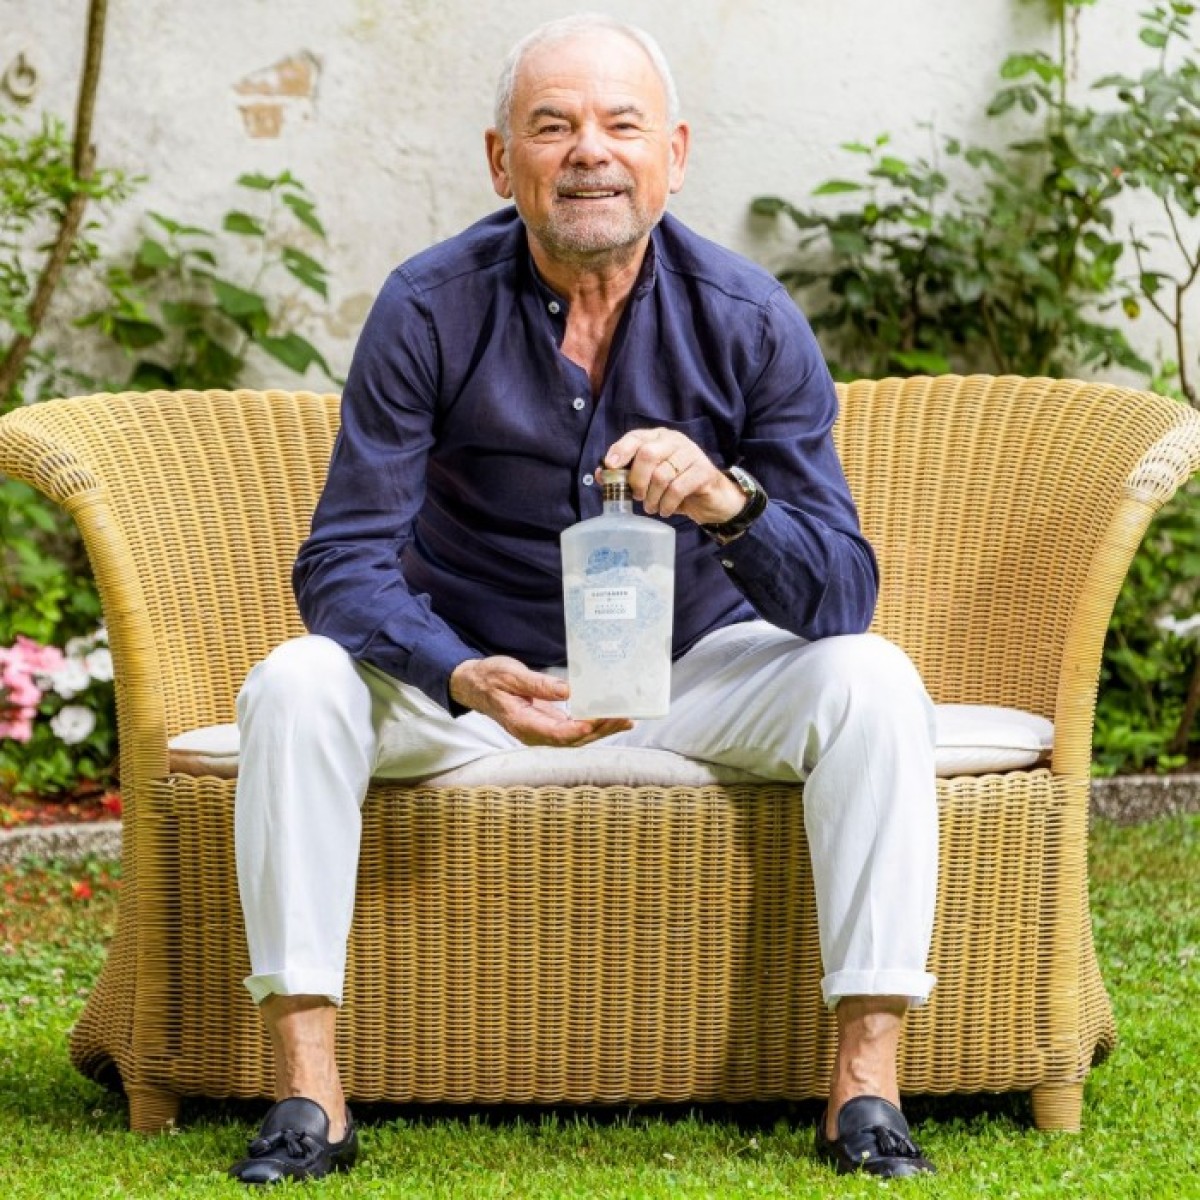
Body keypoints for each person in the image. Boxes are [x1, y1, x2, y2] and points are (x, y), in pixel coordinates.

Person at [227, 12, 939, 1186]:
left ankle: (867, 1089)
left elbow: (841, 595)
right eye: (552, 126)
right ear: (501, 161)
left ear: (676, 154)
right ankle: (308, 1095)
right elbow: (341, 562)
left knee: (874, 679)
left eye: (622, 124)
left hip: (691, 674)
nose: (590, 151)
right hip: (474, 680)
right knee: (295, 682)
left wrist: (727, 503)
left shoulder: (751, 319)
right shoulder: (427, 306)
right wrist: (457, 672)